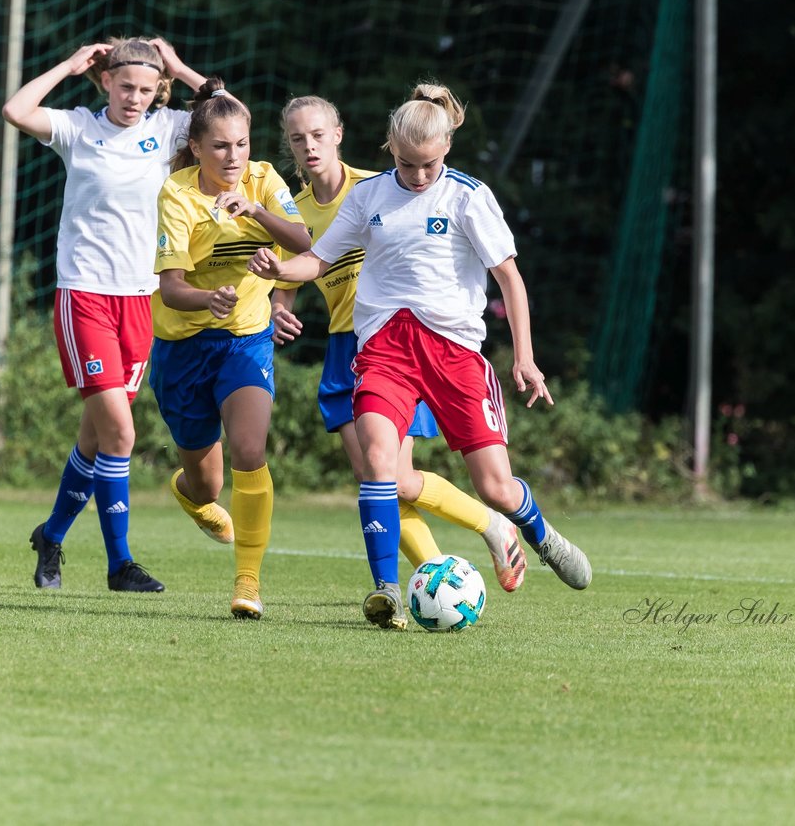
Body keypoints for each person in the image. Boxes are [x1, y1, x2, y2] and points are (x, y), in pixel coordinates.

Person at [249, 82, 592, 629]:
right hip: (385, 352)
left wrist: (524, 357)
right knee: (379, 464)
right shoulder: (368, 197)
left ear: (447, 148)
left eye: (429, 164)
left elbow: (510, 279)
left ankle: (536, 532)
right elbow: (315, 260)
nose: (418, 176)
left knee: (495, 487)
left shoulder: (467, 196)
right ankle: (385, 589)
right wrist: (277, 273)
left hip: (456, 354)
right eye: (408, 164)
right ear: (390, 147)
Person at [269, 95, 527, 592]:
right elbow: (296, 278)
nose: (309, 146)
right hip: (347, 349)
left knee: (389, 475)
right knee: (378, 476)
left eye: (318, 134)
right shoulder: (293, 213)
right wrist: (280, 303)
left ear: (339, 134)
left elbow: (493, 272)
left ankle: (454, 562)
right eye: (298, 139)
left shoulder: (382, 185)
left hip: (402, 346)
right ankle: (457, 557)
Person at [1, 36, 206, 592]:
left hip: (140, 301)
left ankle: (52, 537)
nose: (135, 98)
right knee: (120, 432)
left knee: (95, 440)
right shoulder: (77, 127)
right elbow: (15, 111)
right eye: (125, 86)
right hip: (84, 297)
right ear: (106, 82)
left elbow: (230, 117)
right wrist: (69, 65)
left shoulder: (166, 129)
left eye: (146, 89)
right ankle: (120, 565)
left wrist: (181, 67)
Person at [150, 78, 312, 619]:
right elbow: (170, 286)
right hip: (183, 345)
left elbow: (303, 242)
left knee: (248, 450)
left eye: (241, 144)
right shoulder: (177, 193)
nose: (233, 156)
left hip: (246, 337)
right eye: (220, 146)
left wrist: (256, 213)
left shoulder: (264, 180)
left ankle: (247, 583)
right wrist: (207, 298)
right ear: (196, 148)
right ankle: (190, 492)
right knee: (207, 483)